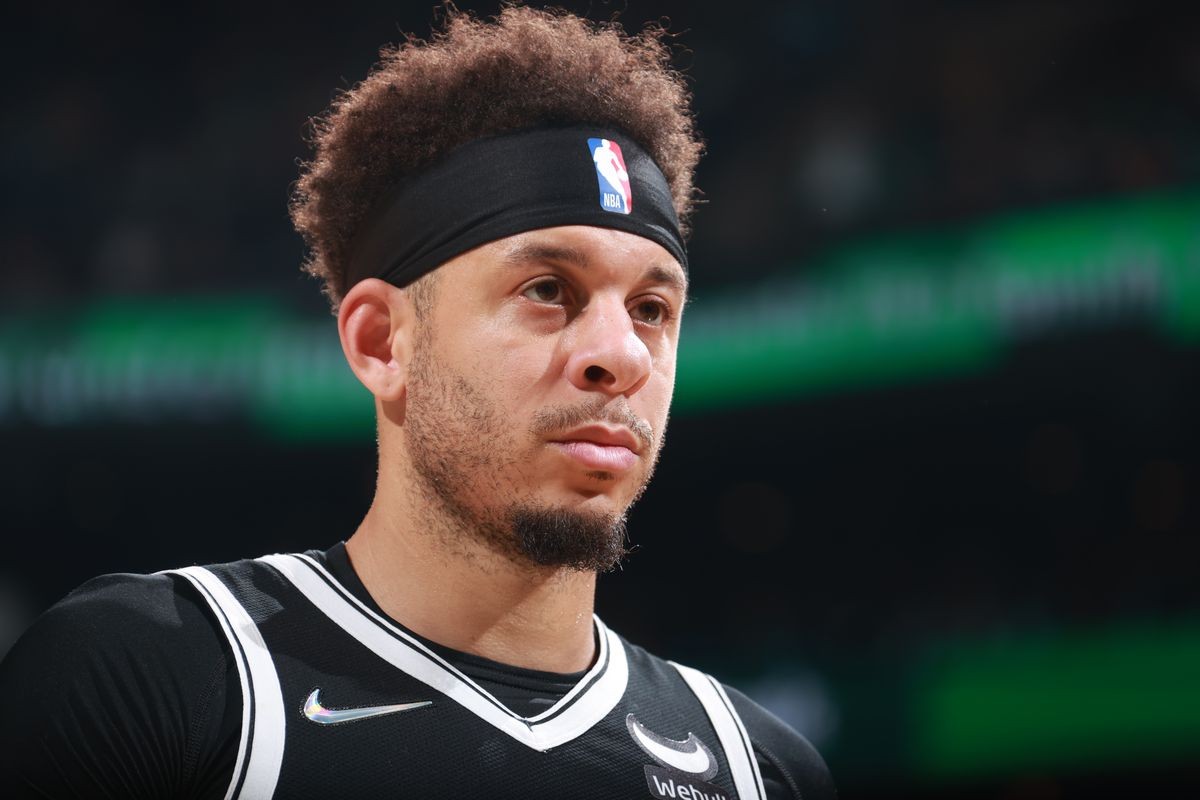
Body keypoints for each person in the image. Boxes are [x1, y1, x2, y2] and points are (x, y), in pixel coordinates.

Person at [0, 7, 836, 799]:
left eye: (652, 309)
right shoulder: (153, 676)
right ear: (381, 342)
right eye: (548, 290)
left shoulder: (760, 769)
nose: (621, 356)